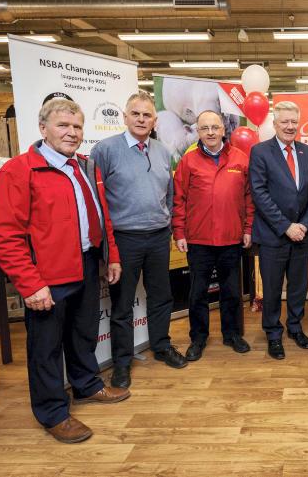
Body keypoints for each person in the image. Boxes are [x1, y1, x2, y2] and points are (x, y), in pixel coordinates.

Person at [0, 98, 129, 443]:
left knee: (83, 334)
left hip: (86, 263)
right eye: (63, 125)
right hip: (46, 276)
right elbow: (3, 234)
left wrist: (111, 255)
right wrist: (30, 284)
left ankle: (87, 385)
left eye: (77, 126)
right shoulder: (20, 171)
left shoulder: (86, 166)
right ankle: (52, 412)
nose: (72, 132)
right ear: (43, 128)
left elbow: (103, 215)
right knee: (46, 348)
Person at [90, 90, 187, 389]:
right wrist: (107, 244)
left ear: (155, 120)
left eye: (147, 115)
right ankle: (122, 362)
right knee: (122, 304)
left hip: (158, 237)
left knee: (161, 297)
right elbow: (96, 199)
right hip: (124, 239)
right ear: (125, 117)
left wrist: (168, 227)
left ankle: (161, 345)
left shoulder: (162, 151)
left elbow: (169, 194)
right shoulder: (105, 150)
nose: (141, 119)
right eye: (136, 114)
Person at [173, 110, 254, 360]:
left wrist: (248, 228)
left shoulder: (240, 159)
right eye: (205, 128)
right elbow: (179, 199)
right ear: (197, 131)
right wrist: (179, 231)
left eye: (215, 127)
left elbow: (249, 198)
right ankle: (198, 338)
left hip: (231, 238)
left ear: (223, 130)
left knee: (232, 291)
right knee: (198, 293)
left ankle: (232, 334)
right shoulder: (188, 161)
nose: (210, 132)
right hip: (199, 240)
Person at [249, 101, 308, 360]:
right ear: (275, 124)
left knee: (298, 287)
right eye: (284, 122)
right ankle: (273, 333)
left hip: (301, 234)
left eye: (294, 122)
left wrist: (304, 225)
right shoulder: (260, 152)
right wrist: (285, 226)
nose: (290, 126)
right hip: (273, 235)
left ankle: (295, 327)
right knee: (273, 288)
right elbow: (259, 194)